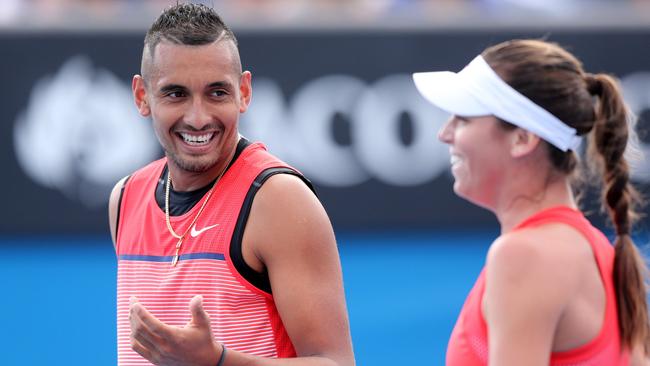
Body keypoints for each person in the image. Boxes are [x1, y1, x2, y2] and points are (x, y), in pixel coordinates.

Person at [107, 3, 354, 366]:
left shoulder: (279, 200)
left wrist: (219, 362)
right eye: (176, 93)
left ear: (244, 92)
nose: (198, 117)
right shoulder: (125, 197)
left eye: (217, 93)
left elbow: (336, 362)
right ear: (142, 97)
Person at [413, 39, 650, 365]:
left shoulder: (524, 255)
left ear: (522, 139)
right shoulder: (598, 251)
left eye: (464, 119)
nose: (445, 133)